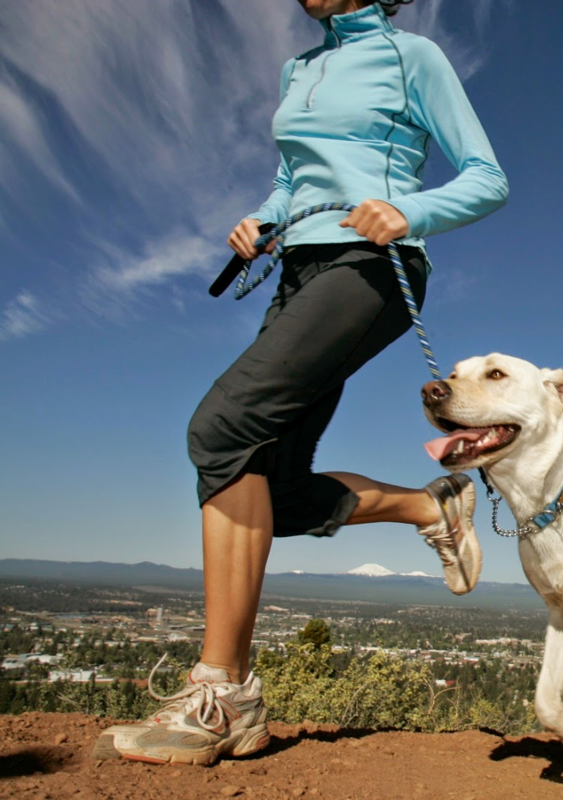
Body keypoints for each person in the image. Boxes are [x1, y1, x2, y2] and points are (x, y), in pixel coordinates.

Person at [93, 0, 508, 765]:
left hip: (370, 268)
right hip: (298, 269)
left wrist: (408, 210)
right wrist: (264, 219)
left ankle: (225, 691)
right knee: (271, 491)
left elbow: (488, 178)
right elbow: (293, 177)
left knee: (221, 428)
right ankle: (433, 506)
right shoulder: (300, 68)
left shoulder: (411, 56)